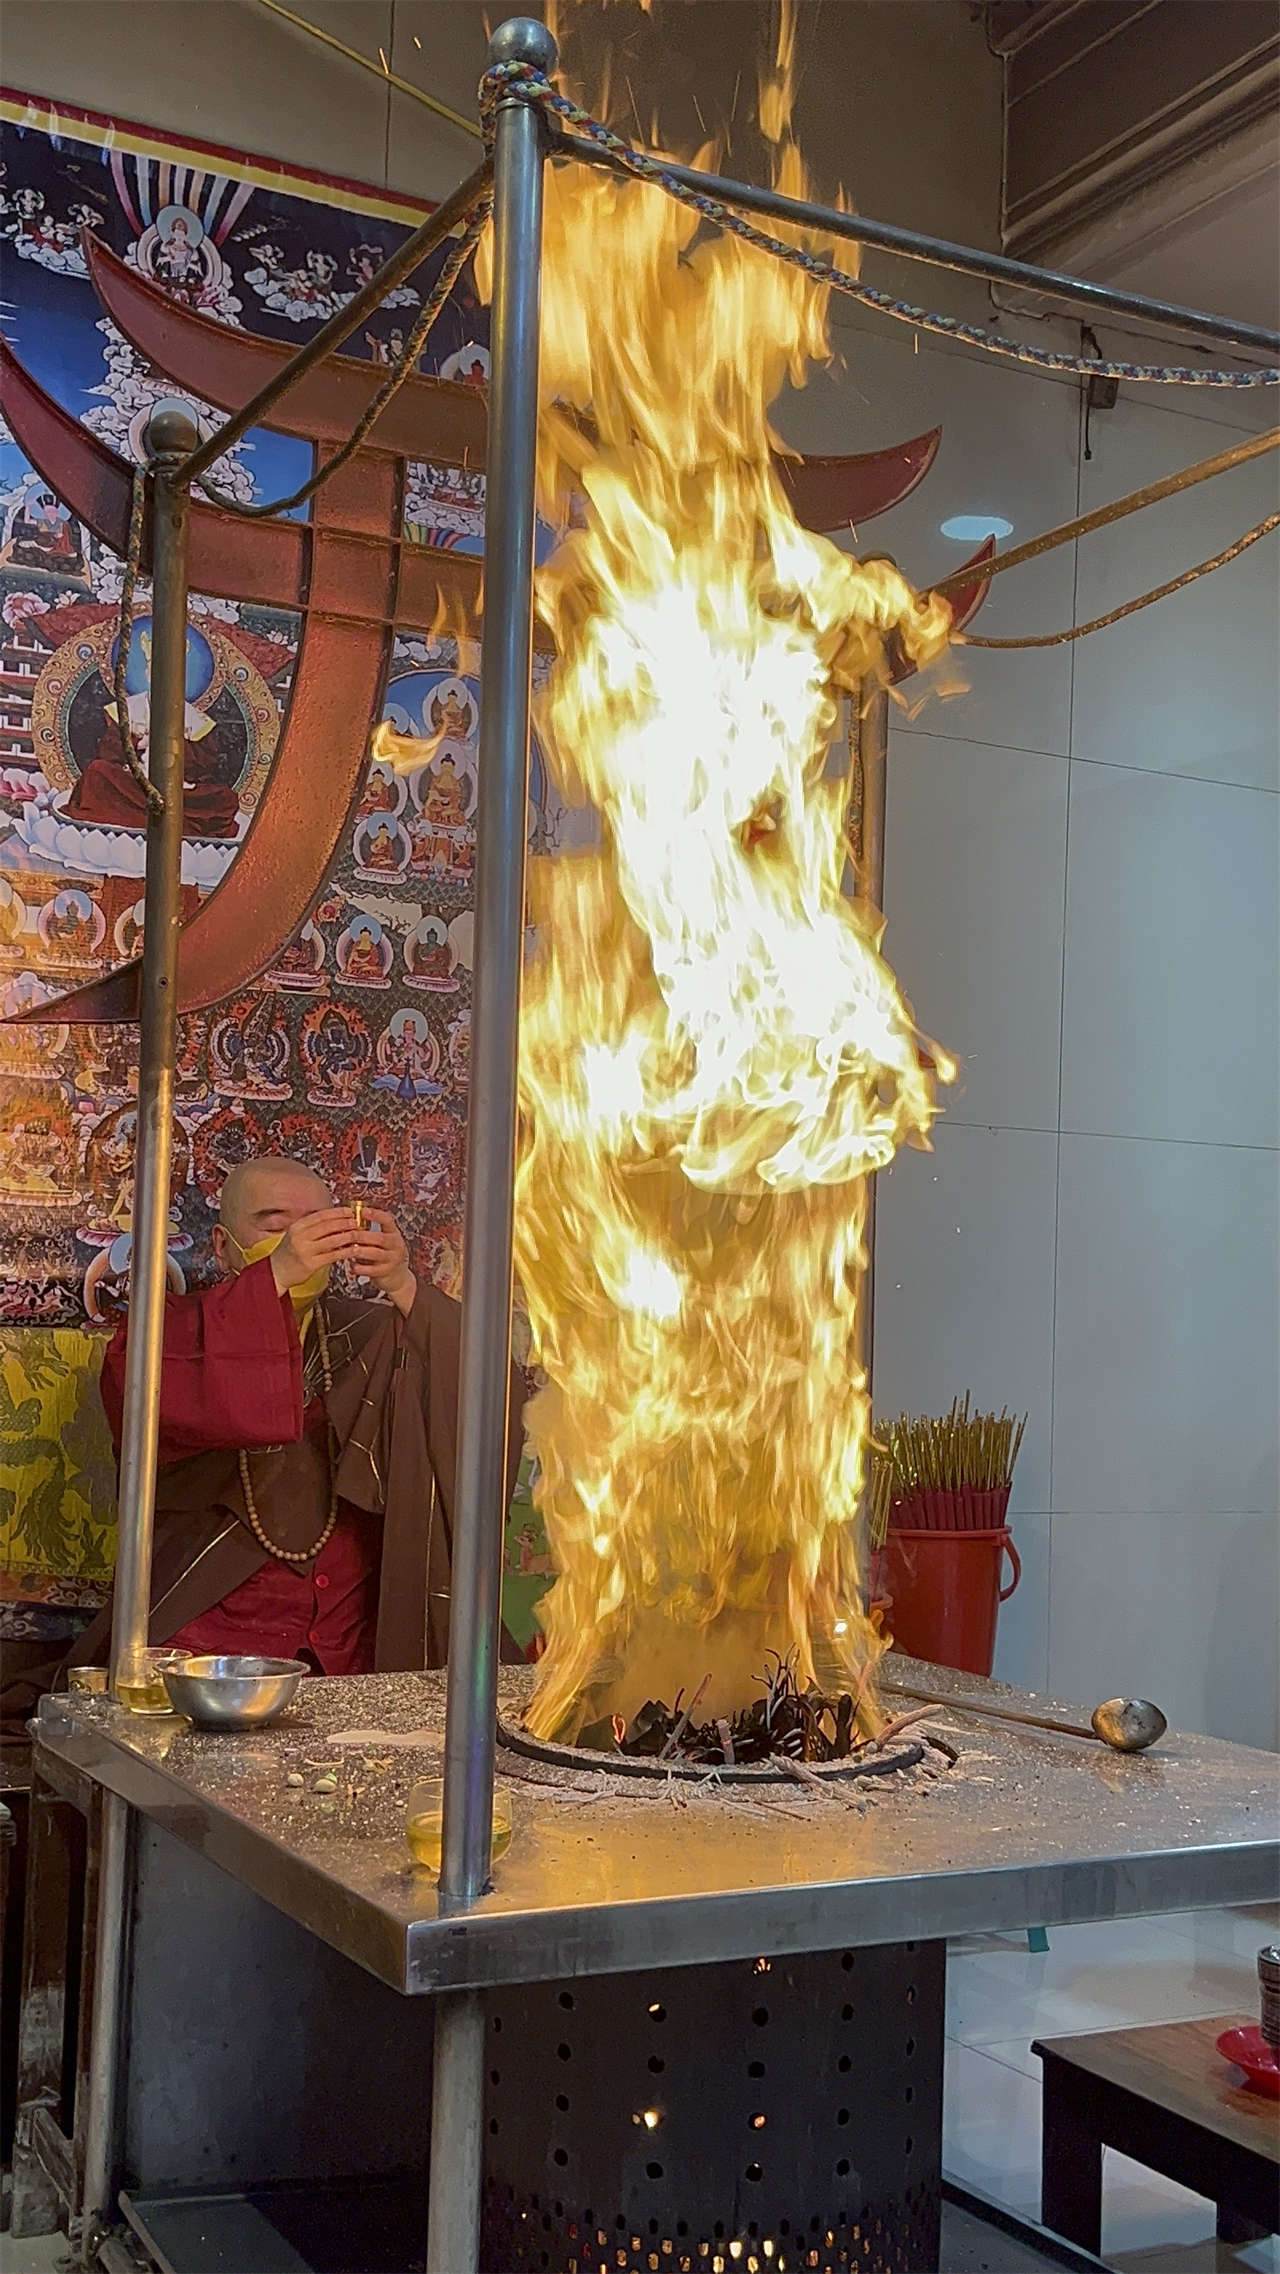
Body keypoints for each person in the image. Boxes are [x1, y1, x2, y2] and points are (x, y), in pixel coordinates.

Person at [63, 1155, 525, 1683]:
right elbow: (156, 1405)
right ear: (222, 1245)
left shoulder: (378, 1334)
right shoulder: (170, 1331)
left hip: (354, 1642)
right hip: (210, 1633)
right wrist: (275, 1276)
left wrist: (404, 1286)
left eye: (318, 1226)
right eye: (275, 1226)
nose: (300, 1242)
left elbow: (488, 1392)